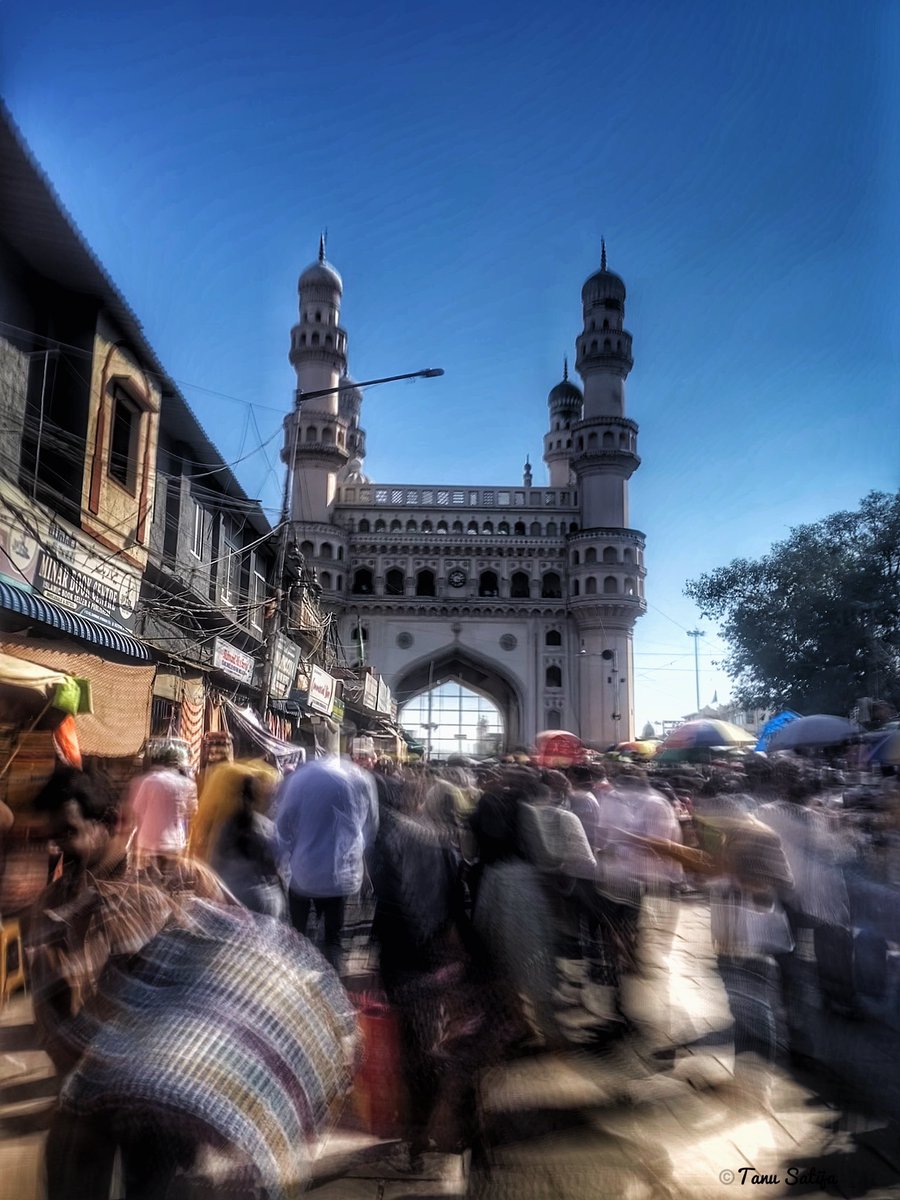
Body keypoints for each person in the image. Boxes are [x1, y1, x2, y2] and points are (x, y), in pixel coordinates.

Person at [28, 766, 357, 1199]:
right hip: (90, 1105)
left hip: (168, 1107)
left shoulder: (180, 881)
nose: (55, 848)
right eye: (46, 837)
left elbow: (244, 965)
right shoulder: (53, 910)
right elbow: (53, 1016)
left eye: (67, 832)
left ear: (109, 822)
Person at [276, 756, 378, 970]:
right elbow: (370, 828)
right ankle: (332, 985)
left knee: (298, 936)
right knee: (333, 940)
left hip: (304, 873)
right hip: (340, 876)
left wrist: (287, 851)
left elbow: (283, 824)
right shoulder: (360, 779)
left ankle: (297, 980)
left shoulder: (299, 779)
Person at [189, 759, 286, 917]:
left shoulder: (220, 826)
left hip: (231, 898)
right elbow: (278, 863)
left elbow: (211, 865)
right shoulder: (265, 826)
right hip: (266, 901)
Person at [127, 740, 197, 865]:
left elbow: (136, 809)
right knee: (170, 882)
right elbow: (192, 811)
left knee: (149, 882)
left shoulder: (148, 781)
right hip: (173, 845)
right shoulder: (187, 784)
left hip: (148, 844)